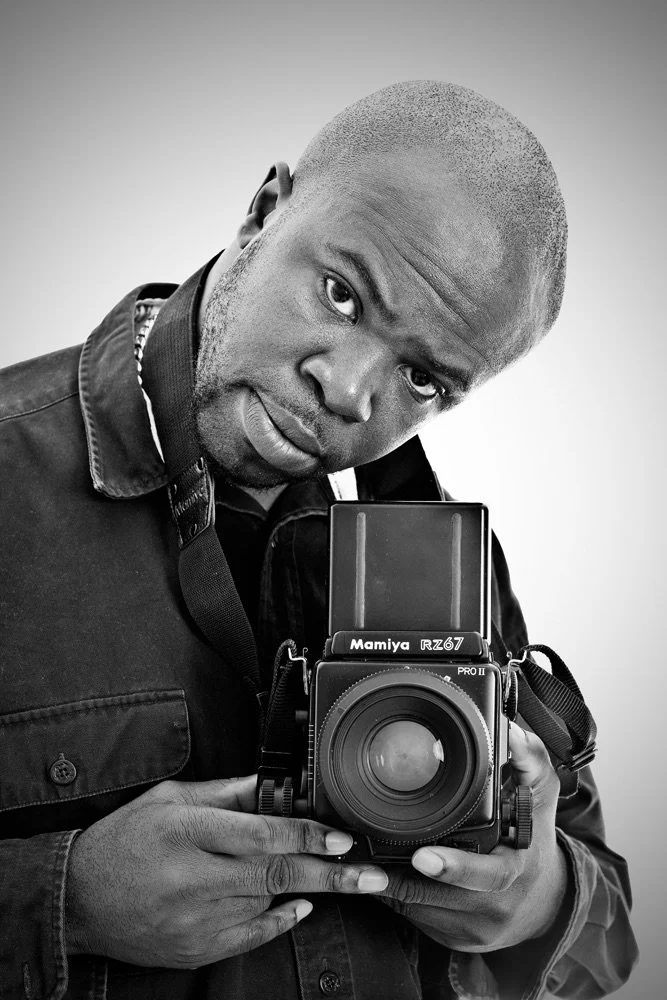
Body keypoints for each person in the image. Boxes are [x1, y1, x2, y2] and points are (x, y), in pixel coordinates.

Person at [0, 81, 637, 1000]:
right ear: (264, 211)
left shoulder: (445, 560)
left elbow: (607, 937)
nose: (348, 392)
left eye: (421, 379)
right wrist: (65, 905)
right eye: (341, 296)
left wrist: (531, 897)